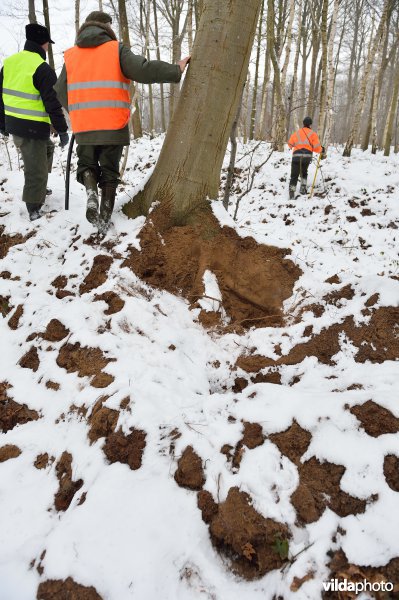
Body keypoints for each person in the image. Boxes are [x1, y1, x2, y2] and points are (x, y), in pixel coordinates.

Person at [54, 11, 190, 234]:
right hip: (112, 125)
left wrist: (78, 110)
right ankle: (105, 216)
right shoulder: (115, 49)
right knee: (109, 171)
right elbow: (143, 70)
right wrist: (175, 69)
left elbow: (59, 90)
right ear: (107, 27)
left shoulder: (71, 56)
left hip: (85, 127)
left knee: (86, 165)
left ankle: (90, 194)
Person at [0, 24, 69, 221]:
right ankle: (33, 208)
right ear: (43, 43)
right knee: (35, 168)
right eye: (48, 44)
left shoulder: (9, 63)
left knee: (48, 149)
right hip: (31, 127)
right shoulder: (42, 68)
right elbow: (53, 104)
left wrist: (3, 124)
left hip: (16, 124)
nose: (48, 48)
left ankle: (39, 187)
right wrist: (63, 130)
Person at [287, 116, 323, 199]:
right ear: (310, 125)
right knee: (304, 173)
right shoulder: (313, 134)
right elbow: (317, 148)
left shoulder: (297, 133)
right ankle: (303, 189)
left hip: (296, 156)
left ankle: (292, 192)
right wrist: (322, 149)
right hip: (307, 157)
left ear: (303, 123)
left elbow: (289, 144)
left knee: (294, 174)